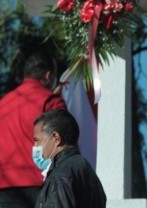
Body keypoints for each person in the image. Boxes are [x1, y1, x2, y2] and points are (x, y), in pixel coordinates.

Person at [0, 51, 66, 208]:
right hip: (42, 185)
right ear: (49, 75)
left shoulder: (3, 104)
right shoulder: (51, 102)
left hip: (4, 188)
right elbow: (65, 145)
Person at [33, 109, 107, 208]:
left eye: (37, 140)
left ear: (56, 138)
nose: (35, 145)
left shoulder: (61, 175)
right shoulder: (85, 168)